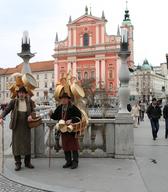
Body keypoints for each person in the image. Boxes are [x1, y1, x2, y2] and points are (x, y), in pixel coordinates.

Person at [0, 86, 35, 171]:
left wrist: (31, 115)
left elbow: (34, 111)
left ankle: (27, 162)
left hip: (26, 126)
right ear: (18, 94)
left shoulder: (29, 101)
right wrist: (1, 117)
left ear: (26, 94)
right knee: (16, 145)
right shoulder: (14, 102)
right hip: (16, 126)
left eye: (23, 93)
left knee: (27, 144)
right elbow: (6, 110)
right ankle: (18, 163)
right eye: (20, 93)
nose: (21, 94)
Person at [49, 92, 82, 169]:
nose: (64, 100)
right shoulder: (60, 108)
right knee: (66, 146)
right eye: (62, 99)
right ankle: (68, 161)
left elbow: (79, 117)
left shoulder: (73, 107)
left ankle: (75, 162)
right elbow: (55, 116)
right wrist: (51, 114)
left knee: (74, 147)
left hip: (72, 130)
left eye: (65, 98)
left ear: (68, 99)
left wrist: (71, 120)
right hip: (63, 130)